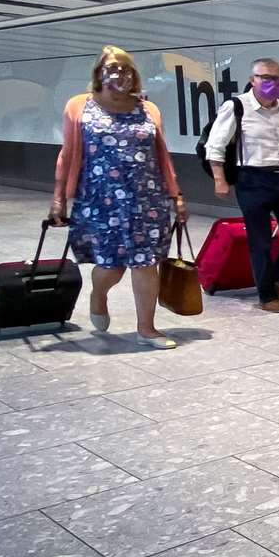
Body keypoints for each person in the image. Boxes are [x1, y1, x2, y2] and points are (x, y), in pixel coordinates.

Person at [48, 46, 188, 349]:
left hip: (147, 199)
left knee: (146, 263)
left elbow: (162, 155)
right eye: (112, 67)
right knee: (112, 266)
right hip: (100, 200)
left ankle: (146, 329)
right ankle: (99, 295)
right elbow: (67, 154)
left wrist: (176, 196)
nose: (120, 74)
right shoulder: (79, 106)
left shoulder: (148, 109)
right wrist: (59, 197)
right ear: (99, 73)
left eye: (126, 69)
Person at [204, 57, 279, 313]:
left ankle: (275, 277)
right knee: (260, 241)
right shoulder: (236, 106)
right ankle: (266, 296)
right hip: (252, 179)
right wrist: (220, 179)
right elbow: (215, 145)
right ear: (253, 80)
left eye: (277, 78)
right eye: (265, 78)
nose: (272, 83)